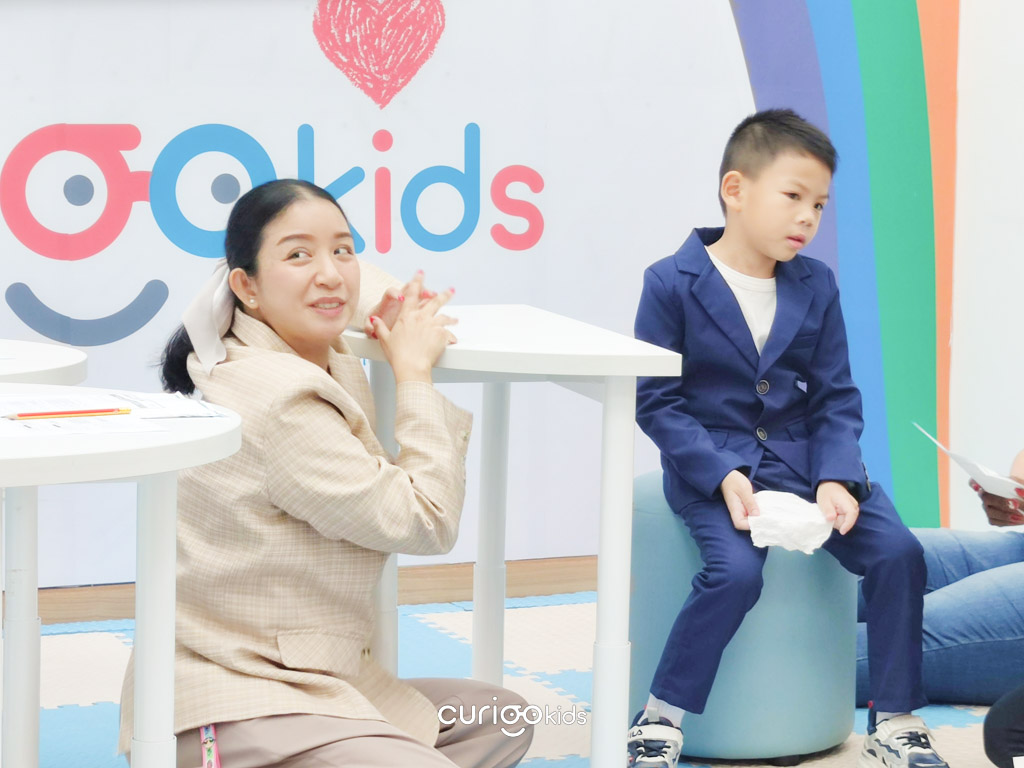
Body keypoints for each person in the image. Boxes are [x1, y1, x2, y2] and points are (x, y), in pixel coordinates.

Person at [117, 179, 533, 768]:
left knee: (501, 717)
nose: (331, 274)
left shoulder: (278, 343)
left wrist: (390, 299)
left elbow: (359, 285)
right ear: (246, 287)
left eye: (343, 249)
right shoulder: (281, 398)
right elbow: (427, 520)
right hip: (234, 699)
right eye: (298, 255)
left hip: (310, 681)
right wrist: (413, 374)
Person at [631, 110, 949, 767]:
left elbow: (835, 395)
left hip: (808, 461)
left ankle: (895, 719)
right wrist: (719, 473)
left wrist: (836, 475)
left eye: (820, 205)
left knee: (899, 552)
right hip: (715, 468)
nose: (808, 217)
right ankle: (660, 715)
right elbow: (657, 402)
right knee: (735, 574)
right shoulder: (669, 282)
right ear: (735, 189)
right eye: (793, 196)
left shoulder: (817, 284)